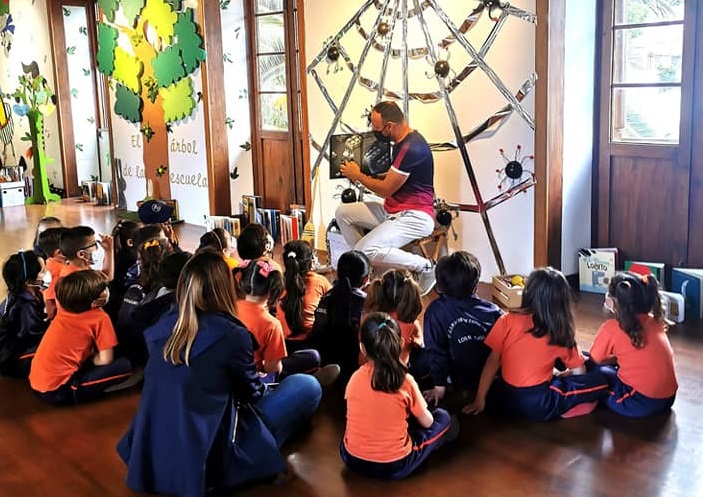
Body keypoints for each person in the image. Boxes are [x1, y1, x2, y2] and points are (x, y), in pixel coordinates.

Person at [117, 251, 322, 497]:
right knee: (307, 386)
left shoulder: (164, 323)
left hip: (155, 445)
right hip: (210, 448)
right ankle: (264, 448)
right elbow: (251, 394)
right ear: (226, 288)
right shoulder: (231, 334)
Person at [463, 267, 609, 421]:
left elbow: (492, 361)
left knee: (574, 365)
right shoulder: (559, 330)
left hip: (507, 398)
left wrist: (480, 399)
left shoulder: (507, 319)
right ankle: (567, 407)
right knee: (600, 379)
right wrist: (571, 375)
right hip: (538, 403)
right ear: (562, 301)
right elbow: (580, 373)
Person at [335, 100, 436, 296]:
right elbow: (392, 180)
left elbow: (387, 189)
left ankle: (427, 267)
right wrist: (364, 171)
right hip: (393, 210)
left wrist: (358, 175)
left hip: (415, 216)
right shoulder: (400, 142)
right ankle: (366, 269)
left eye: (376, 127)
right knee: (343, 212)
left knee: (366, 250)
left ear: (389, 127)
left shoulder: (412, 147)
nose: (373, 131)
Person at [341, 312, 456, 480]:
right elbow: (428, 422)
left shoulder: (354, 378)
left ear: (362, 348)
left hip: (351, 458)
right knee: (443, 418)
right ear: (400, 343)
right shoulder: (406, 381)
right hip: (394, 465)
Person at [29, 270, 133, 405]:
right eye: (103, 289)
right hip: (60, 391)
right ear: (94, 302)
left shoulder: (63, 309)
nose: (106, 290)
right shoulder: (100, 318)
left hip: (37, 385)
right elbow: (106, 360)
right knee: (125, 365)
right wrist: (91, 359)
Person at [589, 272, 677, 418]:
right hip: (668, 398)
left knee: (593, 371)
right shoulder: (655, 321)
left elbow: (595, 359)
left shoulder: (611, 327)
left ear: (614, 302)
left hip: (638, 402)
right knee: (608, 367)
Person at [422, 251, 503, 406]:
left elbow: (435, 350)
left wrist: (439, 387)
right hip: (491, 378)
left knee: (422, 355)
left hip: (457, 380)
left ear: (439, 287)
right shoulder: (494, 312)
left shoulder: (435, 311)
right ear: (476, 285)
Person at [235, 258, 331, 382]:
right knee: (313, 358)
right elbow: (273, 369)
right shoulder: (271, 324)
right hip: (254, 379)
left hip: (229, 372)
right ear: (272, 291)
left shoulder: (229, 308)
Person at [310, 250, 370, 382]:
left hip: (326, 363)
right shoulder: (368, 305)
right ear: (366, 280)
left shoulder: (326, 298)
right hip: (355, 370)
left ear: (337, 273)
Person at [117, 238, 173, 365]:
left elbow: (123, 327)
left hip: (137, 352)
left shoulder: (135, 289)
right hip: (150, 353)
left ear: (140, 262)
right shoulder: (171, 291)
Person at [43, 226, 114, 320]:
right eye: (94, 244)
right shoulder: (75, 279)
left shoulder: (82, 267)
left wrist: (108, 250)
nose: (97, 247)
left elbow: (106, 277)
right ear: (81, 254)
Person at [0, 251, 49, 377]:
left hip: (16, 346)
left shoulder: (27, 292)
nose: (46, 273)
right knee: (55, 348)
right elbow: (30, 335)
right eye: (42, 271)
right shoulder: (23, 305)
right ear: (28, 282)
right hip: (11, 357)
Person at [277, 240, 332, 352]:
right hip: (311, 343)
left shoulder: (277, 282)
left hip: (283, 343)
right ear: (310, 262)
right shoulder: (320, 281)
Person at [363, 269, 424, 368]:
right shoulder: (410, 323)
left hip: (368, 371)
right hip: (399, 372)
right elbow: (419, 341)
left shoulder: (367, 318)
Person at [105, 219, 141, 322]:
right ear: (130, 242)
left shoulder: (116, 254)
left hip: (111, 298)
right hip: (121, 301)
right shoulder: (132, 258)